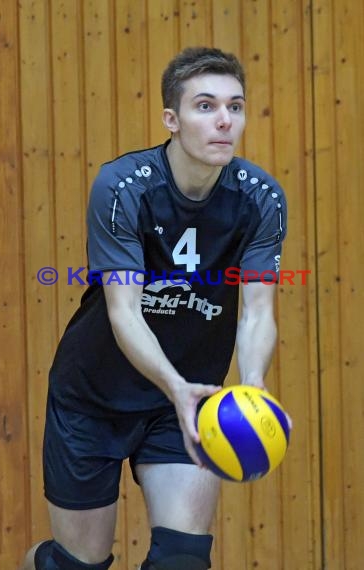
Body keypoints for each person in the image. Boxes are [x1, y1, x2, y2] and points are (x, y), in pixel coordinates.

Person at [20, 46, 288, 570]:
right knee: (79, 565)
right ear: (171, 119)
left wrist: (252, 386)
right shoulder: (123, 187)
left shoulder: (261, 198)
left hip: (185, 402)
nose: (224, 121)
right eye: (205, 106)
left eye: (235, 106)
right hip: (93, 397)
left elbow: (257, 311)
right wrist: (175, 385)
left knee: (182, 560)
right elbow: (124, 311)